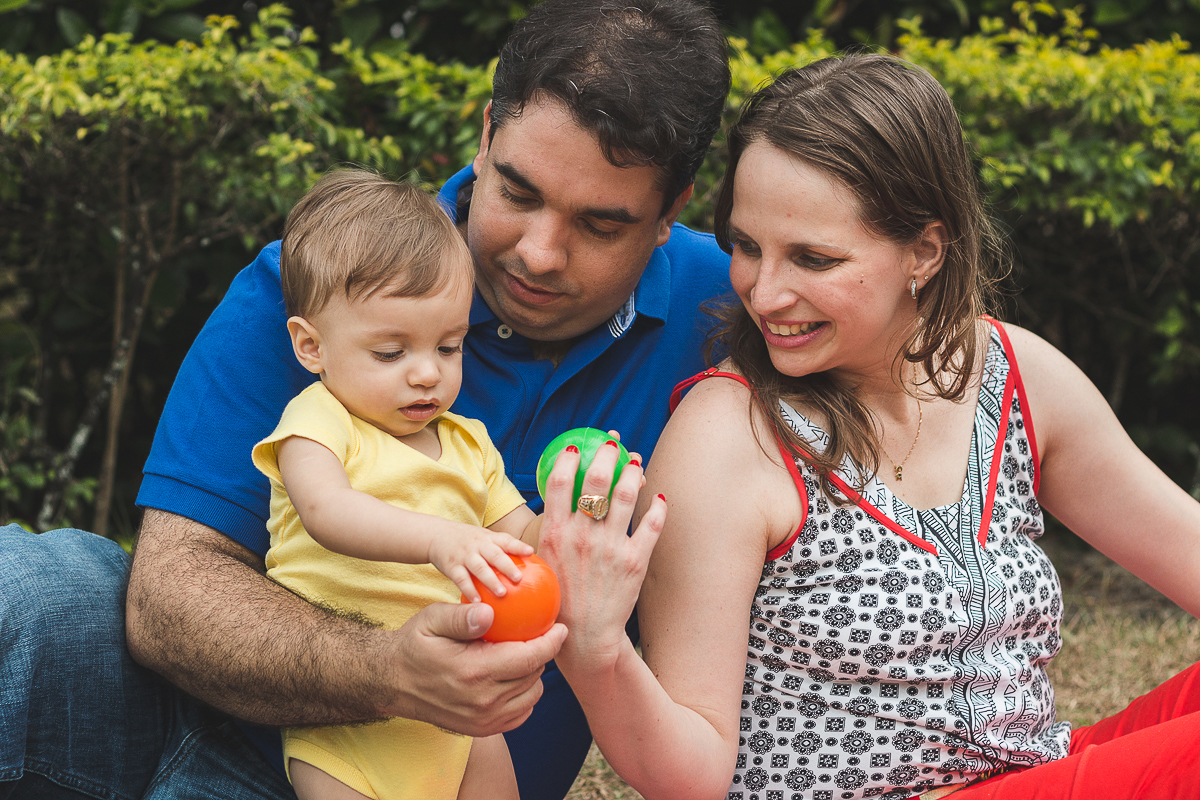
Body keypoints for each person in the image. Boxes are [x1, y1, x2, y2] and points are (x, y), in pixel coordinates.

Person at [0, 1, 730, 799]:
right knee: (30, 585)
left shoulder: (731, 312)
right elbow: (172, 594)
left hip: (443, 775)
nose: (538, 252)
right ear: (486, 136)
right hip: (215, 723)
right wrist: (385, 670)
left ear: (670, 212)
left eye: (600, 225)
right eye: (518, 192)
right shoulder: (321, 285)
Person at [540, 53, 1200, 800]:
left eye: (813, 259)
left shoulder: (1013, 376)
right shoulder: (729, 436)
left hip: (1034, 773)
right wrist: (597, 652)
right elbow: (690, 779)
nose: (765, 289)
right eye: (747, 246)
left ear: (924, 249)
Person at [254, 169, 548, 800]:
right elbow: (327, 511)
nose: (426, 375)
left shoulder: (469, 442)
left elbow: (523, 538)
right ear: (311, 346)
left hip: (458, 715)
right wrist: (442, 540)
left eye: (448, 346)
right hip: (344, 724)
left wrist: (583, 513)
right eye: (390, 353)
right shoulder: (319, 420)